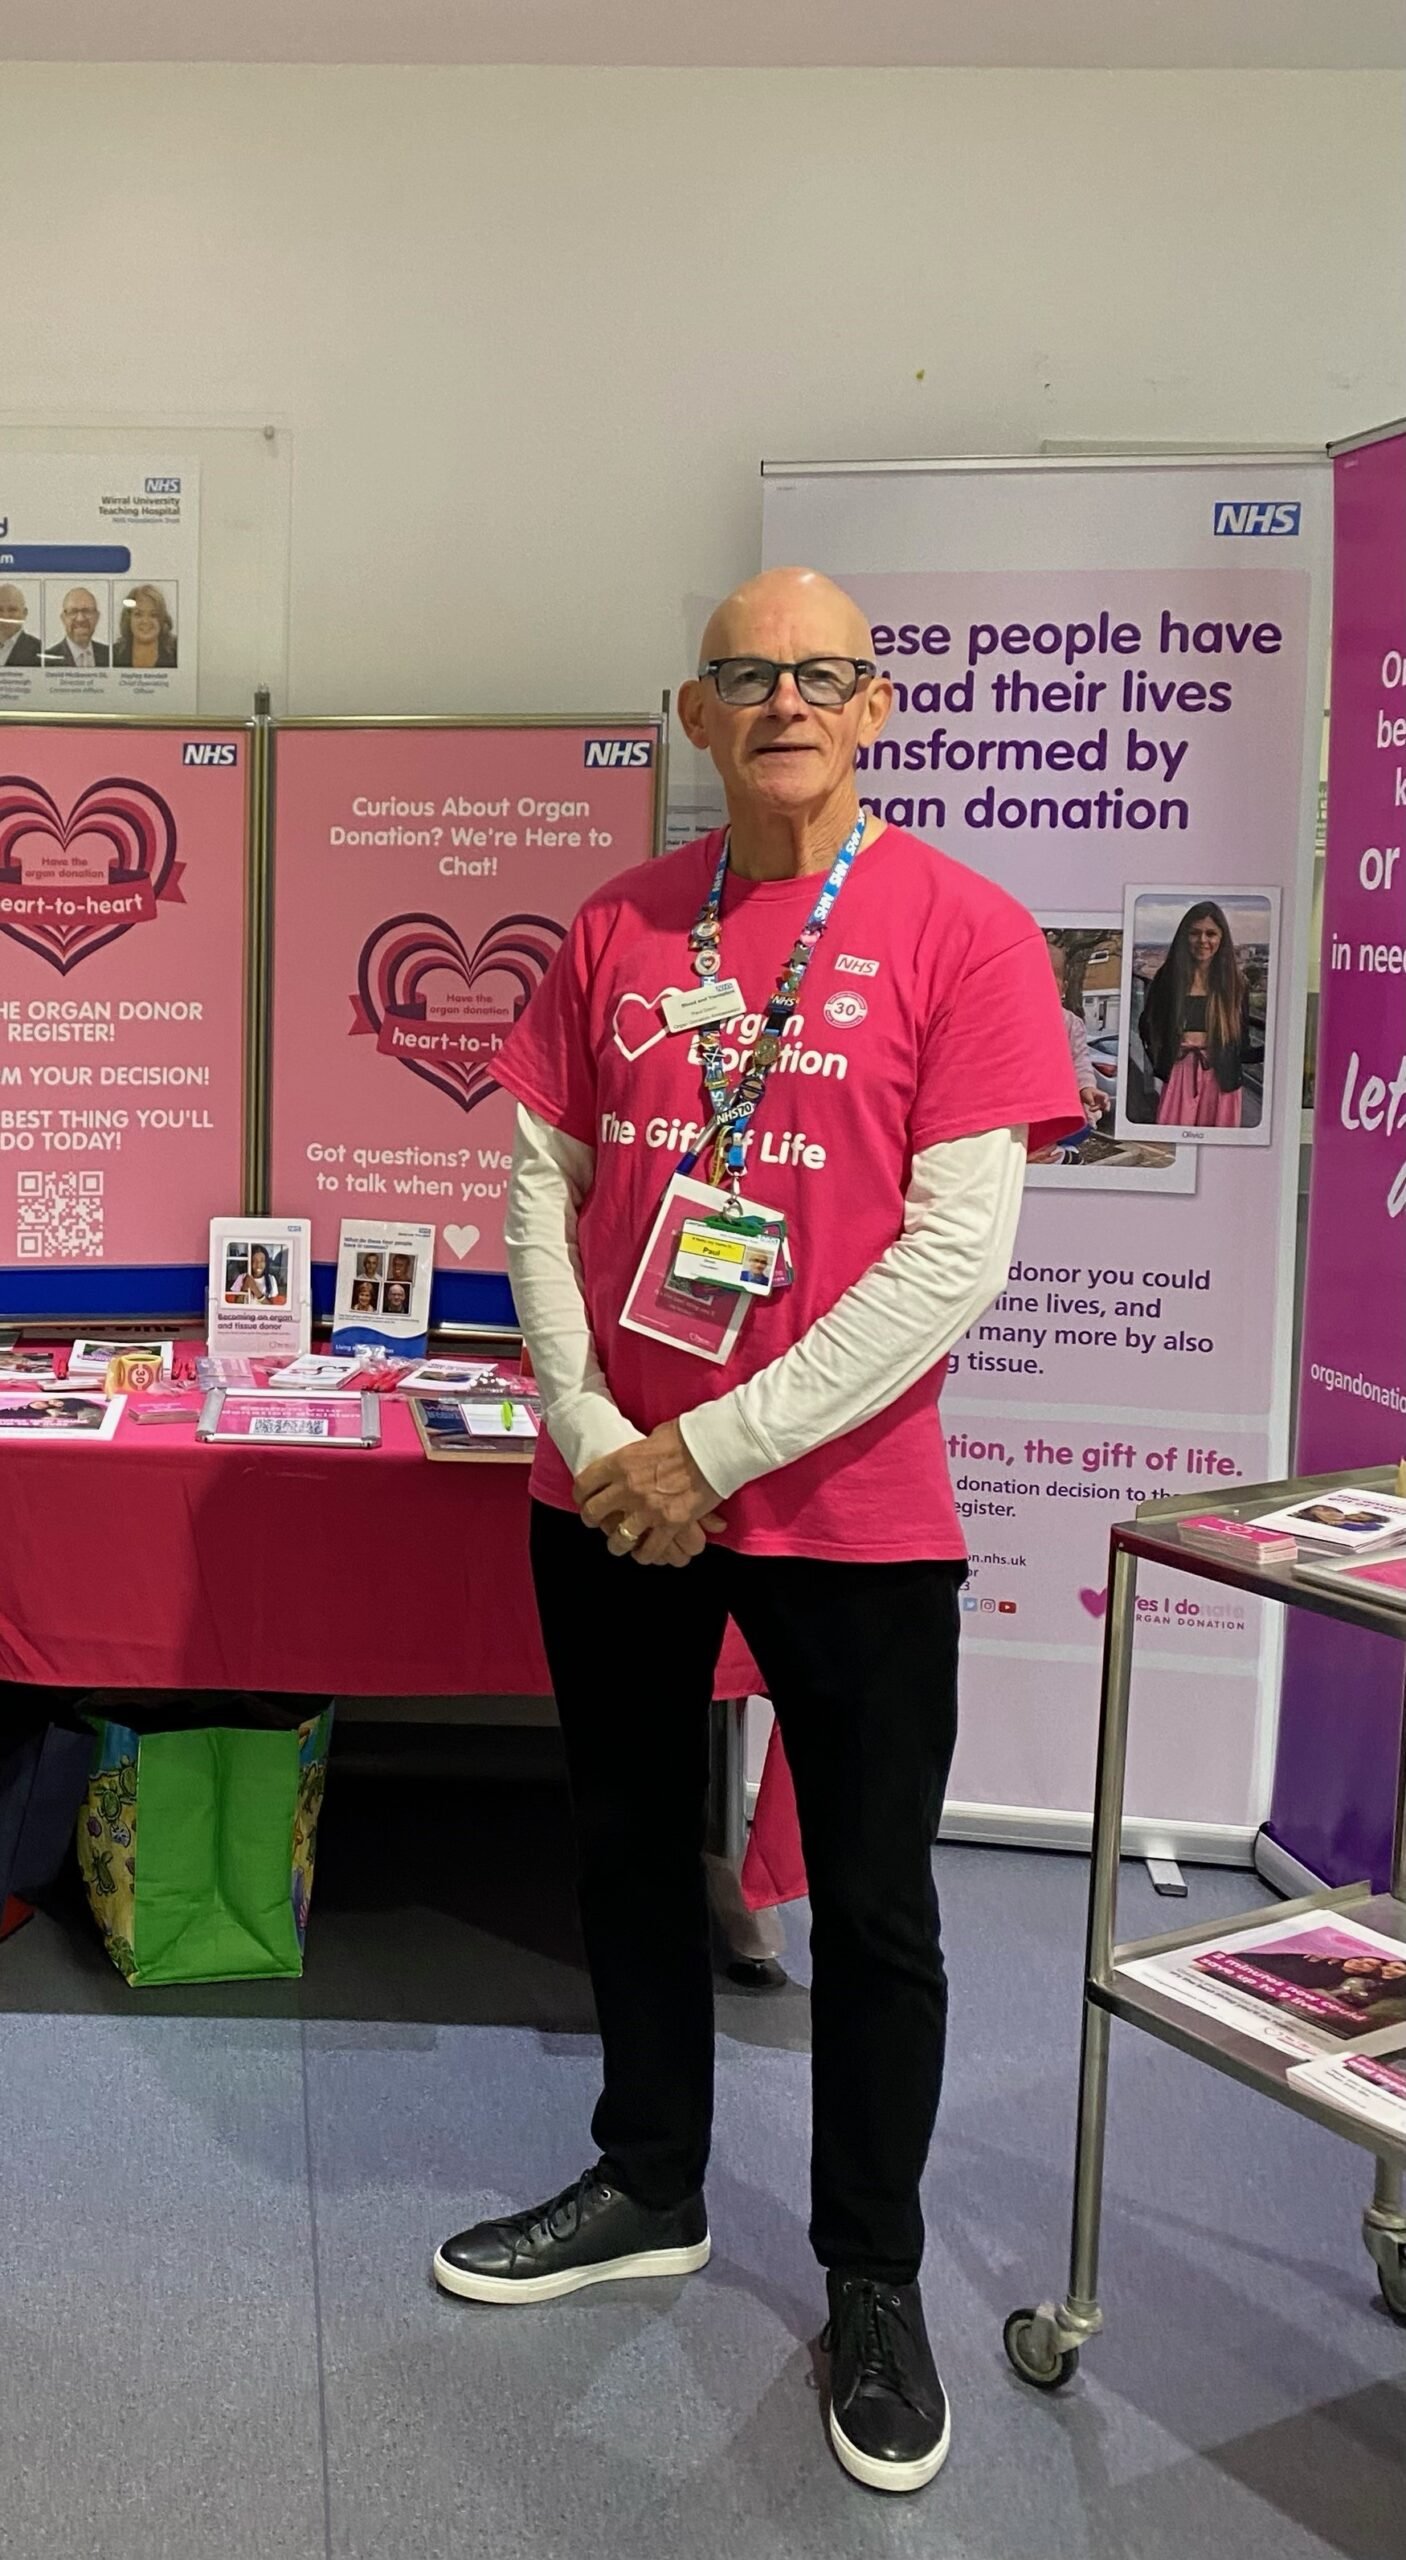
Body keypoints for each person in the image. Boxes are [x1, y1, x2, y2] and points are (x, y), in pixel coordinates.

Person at [433, 567, 1081, 2496]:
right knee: (631, 1849)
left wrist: (706, 1448)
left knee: (875, 1908)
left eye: (817, 673)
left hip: (847, 1511)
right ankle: (648, 2180)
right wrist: (591, 1432)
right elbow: (539, 1187)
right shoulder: (620, 924)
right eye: (744, 676)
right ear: (696, 716)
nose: (781, 699)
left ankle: (869, 2278)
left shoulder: (970, 932)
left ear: (872, 706)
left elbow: (955, 1257)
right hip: (608, 1491)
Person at [1135, 901, 1253, 1129]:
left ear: (1222, 938)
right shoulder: (1168, 978)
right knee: (1171, 1145)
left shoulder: (1236, 984)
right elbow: (1147, 1025)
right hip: (1180, 1072)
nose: (1203, 941)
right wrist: (1162, 1063)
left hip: (1223, 1078)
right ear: (1184, 936)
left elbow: (1243, 1043)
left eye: (1211, 933)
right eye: (1195, 933)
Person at [113, 583, 177, 670]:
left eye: (153, 615)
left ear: (162, 619)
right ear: (128, 619)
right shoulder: (112, 654)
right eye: (138, 614)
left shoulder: (177, 652)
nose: (145, 621)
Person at [45, 587, 110, 669]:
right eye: (73, 611)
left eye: (87, 611)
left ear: (97, 617)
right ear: (63, 618)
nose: (80, 619)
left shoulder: (111, 656)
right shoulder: (47, 661)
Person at [0, 585, 41, 667]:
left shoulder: (40, 650)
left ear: (24, 613)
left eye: (12, 610)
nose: (5, 616)